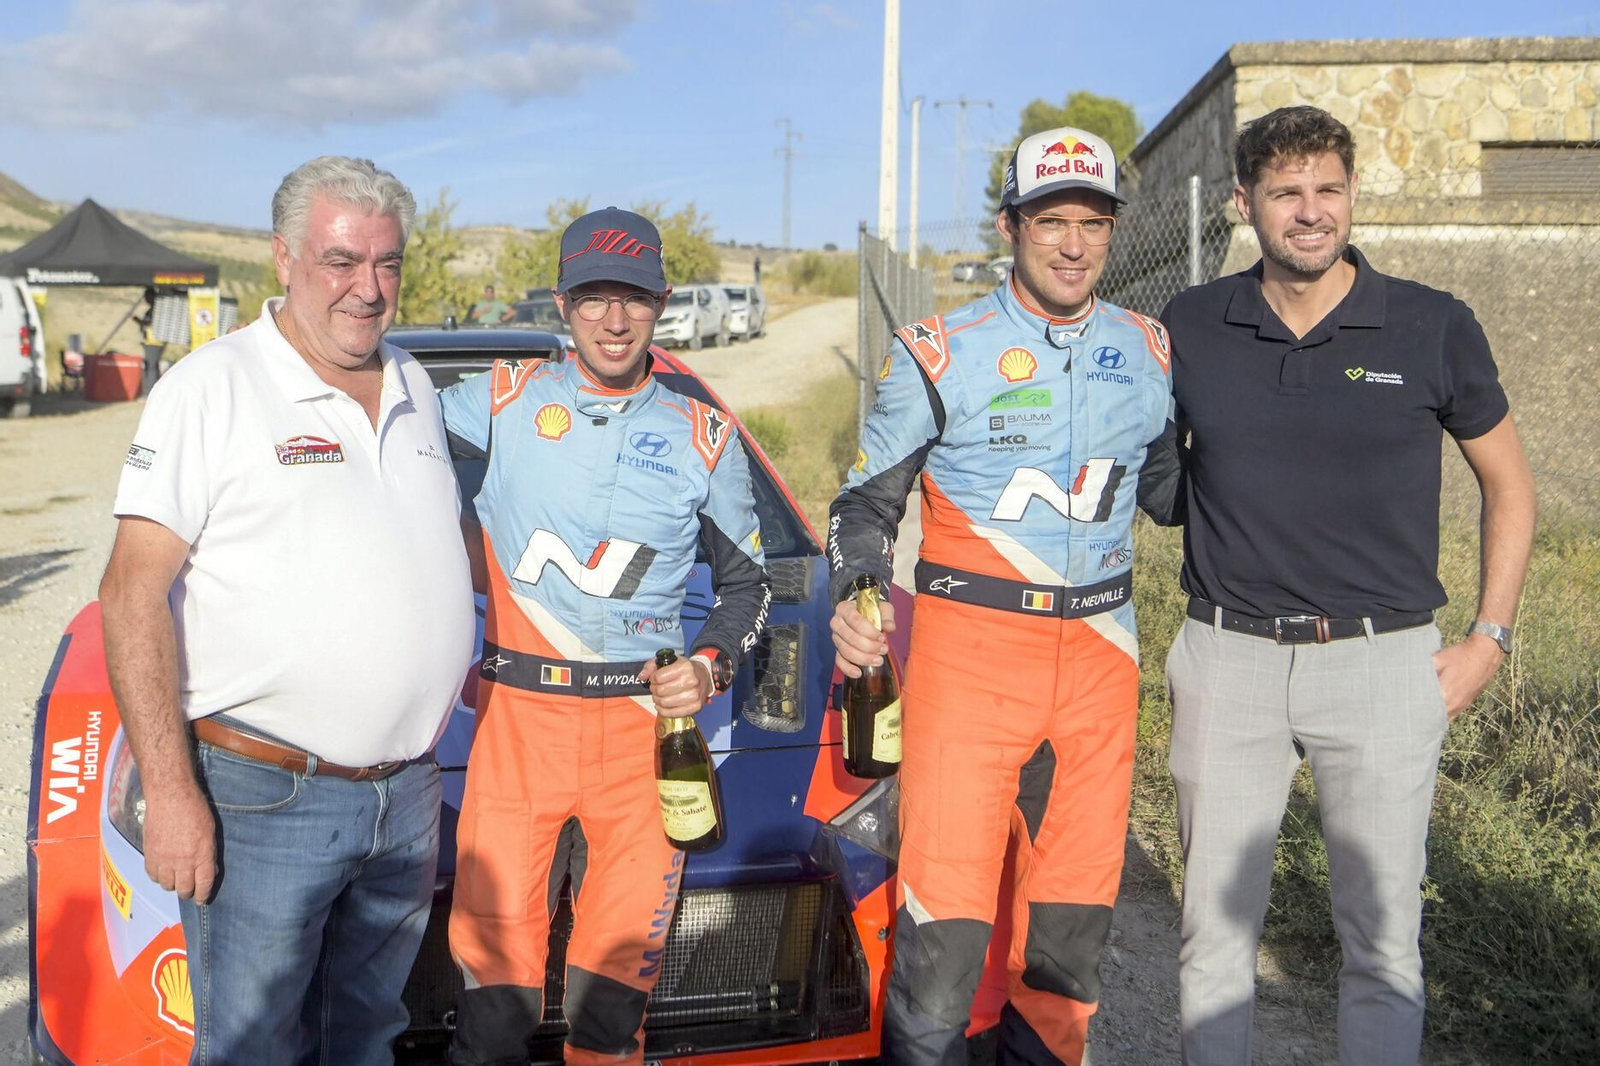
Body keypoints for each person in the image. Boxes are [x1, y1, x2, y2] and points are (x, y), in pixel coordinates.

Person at [1160, 106, 1536, 1066]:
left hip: (1382, 666)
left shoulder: (1431, 323)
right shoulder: (1193, 323)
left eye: (1328, 188)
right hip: (1226, 659)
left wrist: (1487, 639)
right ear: (1245, 204)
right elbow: (1148, 472)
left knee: (1380, 945)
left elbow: (1509, 483)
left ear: (1353, 194)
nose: (1310, 211)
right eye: (1286, 192)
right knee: (1213, 939)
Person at [98, 156, 475, 1065]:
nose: (368, 288)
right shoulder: (212, 387)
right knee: (254, 1045)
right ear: (282, 258)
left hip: (406, 797)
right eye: (341, 261)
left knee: (370, 1035)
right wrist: (175, 790)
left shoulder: (416, 384)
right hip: (265, 800)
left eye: (387, 264)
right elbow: (130, 591)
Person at [830, 126, 1184, 1065]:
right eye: (1052, 221)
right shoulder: (941, 351)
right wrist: (859, 593)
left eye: (1093, 223)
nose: (1074, 244)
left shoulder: (1149, 349)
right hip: (970, 661)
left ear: (1113, 229)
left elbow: (1175, 497)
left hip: (1101, 665)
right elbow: (863, 505)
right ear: (1010, 225)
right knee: (944, 929)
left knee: (1068, 936)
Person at [441, 206, 771, 1066]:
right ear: (563, 303)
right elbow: (374, 436)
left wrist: (711, 663)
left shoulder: (704, 434)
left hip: (643, 740)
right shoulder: (503, 399)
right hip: (520, 726)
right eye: (593, 298)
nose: (614, 320)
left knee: (610, 1013)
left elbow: (750, 587)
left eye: (632, 299)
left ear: (661, 302)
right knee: (491, 1013)